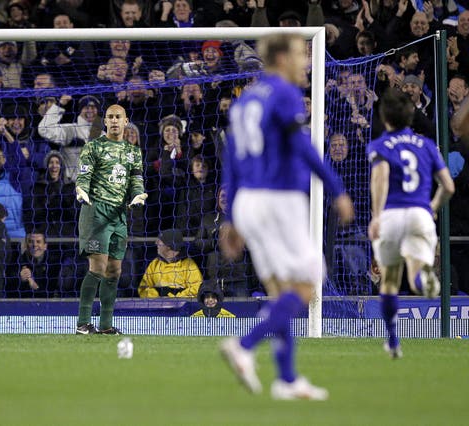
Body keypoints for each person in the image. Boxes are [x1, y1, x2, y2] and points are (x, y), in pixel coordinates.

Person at [218, 33, 354, 400]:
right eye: (300, 54)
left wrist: (231, 216)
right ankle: (244, 344)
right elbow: (302, 146)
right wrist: (337, 189)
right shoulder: (283, 93)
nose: (307, 62)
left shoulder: (245, 100)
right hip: (279, 200)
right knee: (308, 284)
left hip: (248, 201)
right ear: (280, 58)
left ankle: (287, 379)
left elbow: (230, 158)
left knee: (280, 292)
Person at [366, 88, 455, 358]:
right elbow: (448, 186)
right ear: (410, 117)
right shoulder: (427, 145)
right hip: (420, 214)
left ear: (384, 118)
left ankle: (393, 341)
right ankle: (423, 277)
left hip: (391, 215)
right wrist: (433, 207)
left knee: (390, 280)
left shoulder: (379, 145)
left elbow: (380, 178)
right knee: (416, 279)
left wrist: (377, 215)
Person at [74, 104, 147, 335]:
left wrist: (138, 194)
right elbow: (83, 175)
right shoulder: (93, 147)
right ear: (105, 121)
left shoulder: (133, 151)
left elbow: (136, 180)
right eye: (110, 117)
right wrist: (81, 190)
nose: (114, 121)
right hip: (96, 211)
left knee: (114, 270)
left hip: (119, 214)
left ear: (126, 121)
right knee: (98, 267)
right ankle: (83, 323)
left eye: (118, 117)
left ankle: (105, 325)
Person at [138, 228, 202, 298]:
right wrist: (156, 298)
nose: (156, 243)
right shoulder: (154, 264)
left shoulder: (189, 266)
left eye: (159, 241)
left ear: (168, 246)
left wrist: (176, 298)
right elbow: (143, 288)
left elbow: (197, 288)